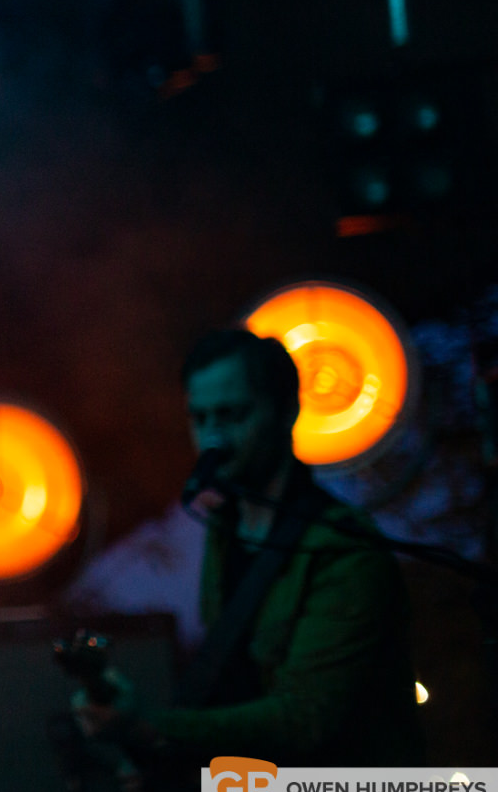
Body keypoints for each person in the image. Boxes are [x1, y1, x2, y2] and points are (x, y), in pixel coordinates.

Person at [73, 329, 424, 769]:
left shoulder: (345, 551)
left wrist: (151, 728)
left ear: (287, 411)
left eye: (232, 415)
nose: (213, 439)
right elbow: (235, 683)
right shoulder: (223, 532)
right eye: (200, 419)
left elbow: (305, 720)